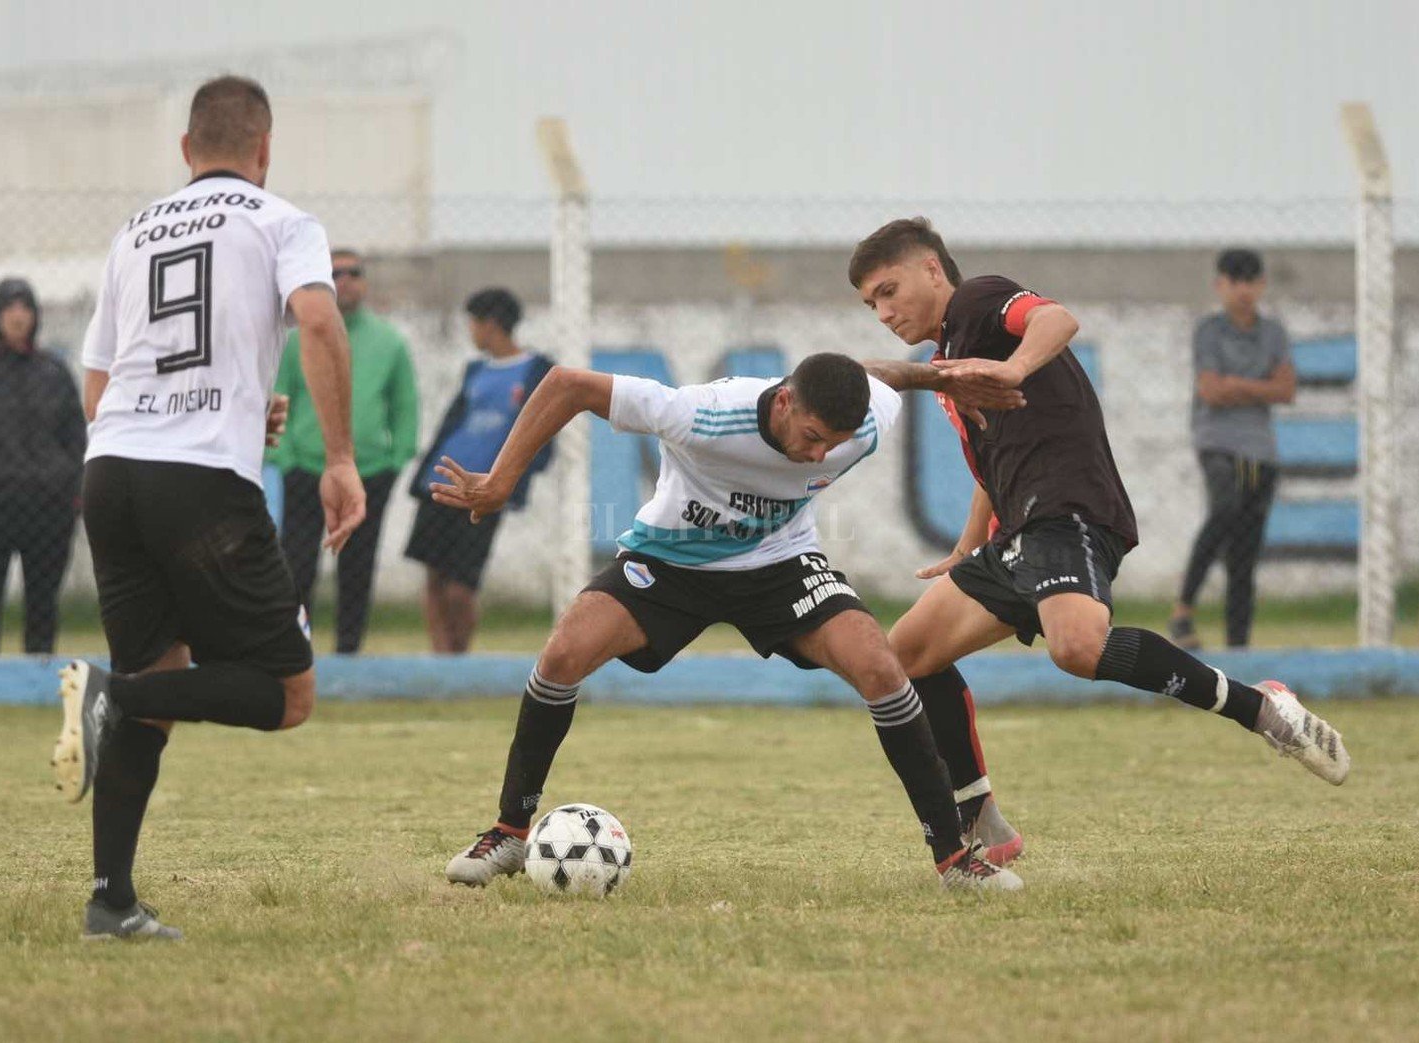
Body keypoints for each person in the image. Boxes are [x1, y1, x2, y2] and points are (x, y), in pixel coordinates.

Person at [433, 352, 1027, 891]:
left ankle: (954, 860)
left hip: (780, 564)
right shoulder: (704, 415)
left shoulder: (866, 425)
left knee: (880, 667)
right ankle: (510, 834)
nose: (821, 456)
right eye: (814, 437)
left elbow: (885, 374)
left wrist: (943, 378)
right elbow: (566, 385)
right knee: (563, 654)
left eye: (834, 444)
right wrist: (501, 480)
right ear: (786, 400)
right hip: (671, 561)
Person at [846, 218, 1349, 829]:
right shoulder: (947, 360)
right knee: (906, 656)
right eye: (871, 302)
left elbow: (1056, 320)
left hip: (1067, 510)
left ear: (930, 269)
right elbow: (992, 469)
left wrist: (1016, 367)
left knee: (1078, 647)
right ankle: (979, 816)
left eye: (888, 290)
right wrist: (964, 548)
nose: (882, 311)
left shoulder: (977, 301)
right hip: (1018, 534)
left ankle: (1262, 709)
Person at [50, 75, 366, 942]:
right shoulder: (280, 220)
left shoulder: (133, 230)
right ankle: (106, 692)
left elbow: (100, 384)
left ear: (186, 150)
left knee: (157, 687)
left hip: (110, 473)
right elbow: (318, 321)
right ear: (264, 151)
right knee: (287, 691)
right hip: (198, 485)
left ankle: (111, 901)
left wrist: (223, 413)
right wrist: (338, 457)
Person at [271, 247, 418, 654]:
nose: (346, 280)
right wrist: (282, 458)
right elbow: (279, 399)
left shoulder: (390, 343)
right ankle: (296, 650)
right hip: (304, 468)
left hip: (369, 471)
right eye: (335, 273)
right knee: (296, 564)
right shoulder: (300, 338)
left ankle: (348, 652)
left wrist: (395, 460)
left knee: (357, 565)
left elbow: (405, 406)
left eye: (354, 272)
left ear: (365, 281)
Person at [0, 278, 87, 654]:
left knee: (43, 602)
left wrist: (75, 497)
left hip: (50, 507)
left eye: (25, 307)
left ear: (35, 315)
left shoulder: (55, 373)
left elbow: (77, 438)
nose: (18, 316)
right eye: (9, 308)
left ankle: (40, 679)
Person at [405, 288, 553, 653]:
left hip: (484, 490)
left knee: (462, 585)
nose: (470, 331)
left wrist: (515, 479)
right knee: (434, 576)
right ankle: (441, 657)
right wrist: (422, 474)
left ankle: (461, 656)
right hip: (440, 482)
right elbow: (452, 422)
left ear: (490, 324)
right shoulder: (475, 369)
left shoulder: (537, 370)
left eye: (472, 323)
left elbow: (544, 431)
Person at [1170, 248, 1296, 650]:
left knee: (1246, 549)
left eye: (1250, 282)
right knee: (1223, 510)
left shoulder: (1273, 332)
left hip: (1260, 450)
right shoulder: (1209, 330)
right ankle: (1183, 607)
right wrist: (1259, 387)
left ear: (1261, 285)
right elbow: (1210, 390)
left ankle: (1238, 644)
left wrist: (1235, 385)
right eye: (1234, 282)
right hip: (1218, 442)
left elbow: (1287, 389)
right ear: (1220, 285)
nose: (1243, 290)